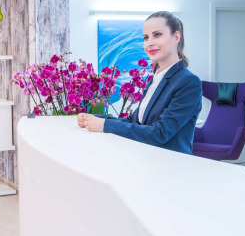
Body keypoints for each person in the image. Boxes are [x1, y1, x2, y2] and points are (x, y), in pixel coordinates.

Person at [77, 11, 202, 155]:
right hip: (146, 158)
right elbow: (135, 121)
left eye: (157, 35)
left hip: (170, 163)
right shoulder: (156, 79)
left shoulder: (189, 82)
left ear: (176, 37)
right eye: (146, 37)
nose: (150, 43)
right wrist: (95, 119)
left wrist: (105, 125)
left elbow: (160, 133)